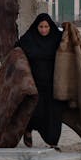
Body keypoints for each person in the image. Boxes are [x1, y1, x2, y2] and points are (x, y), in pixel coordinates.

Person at [17, 13, 64, 150]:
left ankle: (53, 142)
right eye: (41, 27)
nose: (43, 30)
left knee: (54, 114)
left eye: (46, 27)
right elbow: (17, 52)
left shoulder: (57, 39)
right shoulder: (28, 39)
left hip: (53, 84)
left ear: (51, 27)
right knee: (34, 111)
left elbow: (70, 45)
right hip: (34, 84)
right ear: (36, 27)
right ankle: (28, 130)